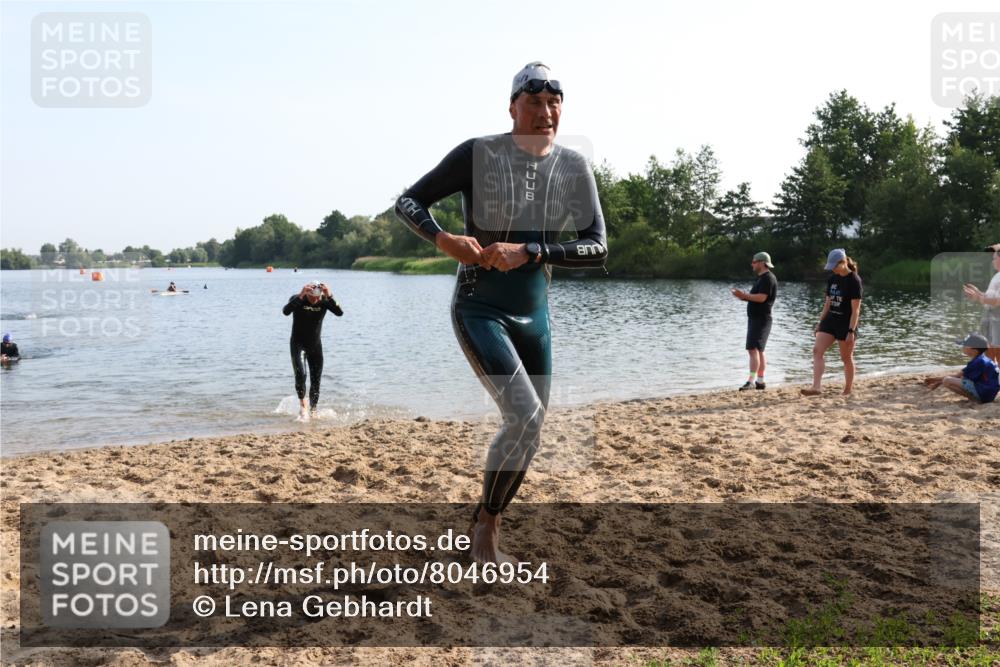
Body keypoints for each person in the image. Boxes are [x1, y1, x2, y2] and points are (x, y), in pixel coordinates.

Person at [395, 62, 607, 564]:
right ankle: (486, 533)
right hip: (480, 307)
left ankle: (486, 518)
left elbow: (596, 246)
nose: (545, 112)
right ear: (512, 107)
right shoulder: (478, 154)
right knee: (524, 414)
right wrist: (444, 239)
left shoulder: (573, 167)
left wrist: (531, 252)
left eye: (554, 103)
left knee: (531, 430)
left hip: (535, 312)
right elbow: (408, 201)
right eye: (534, 103)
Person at [801, 249, 863, 397]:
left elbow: (856, 311)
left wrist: (851, 331)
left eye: (834, 266)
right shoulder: (832, 279)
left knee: (846, 358)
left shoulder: (854, 280)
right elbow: (827, 303)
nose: (833, 269)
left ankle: (847, 390)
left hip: (846, 323)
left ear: (843, 262)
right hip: (830, 320)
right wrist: (820, 323)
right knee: (817, 350)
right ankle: (816, 387)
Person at [282, 281, 344, 420]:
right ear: (308, 293)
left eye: (318, 297)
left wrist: (330, 295)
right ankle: (303, 406)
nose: (315, 300)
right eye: (312, 297)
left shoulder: (324, 301)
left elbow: (339, 312)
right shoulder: (298, 299)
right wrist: (301, 294)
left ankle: (314, 409)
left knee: (316, 380)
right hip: (298, 344)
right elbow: (285, 311)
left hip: (315, 346)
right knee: (301, 374)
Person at [731, 252, 777, 390]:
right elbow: (755, 297)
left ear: (762, 263)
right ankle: (760, 381)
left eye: (754, 262)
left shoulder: (767, 278)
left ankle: (751, 381)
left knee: (753, 349)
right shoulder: (761, 278)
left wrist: (744, 295)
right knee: (759, 350)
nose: (752, 264)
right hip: (757, 319)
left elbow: (762, 298)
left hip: (761, 319)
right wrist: (742, 296)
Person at [923, 333, 999, 404]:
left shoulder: (978, 362)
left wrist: (938, 381)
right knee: (948, 379)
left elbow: (959, 377)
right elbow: (960, 374)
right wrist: (937, 380)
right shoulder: (981, 359)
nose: (962, 347)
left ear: (974, 350)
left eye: (964, 346)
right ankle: (977, 398)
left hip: (985, 394)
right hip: (989, 394)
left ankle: (975, 399)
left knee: (947, 381)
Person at [962, 243, 1000, 363]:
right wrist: (978, 294)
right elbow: (991, 299)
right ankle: (992, 377)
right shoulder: (997, 276)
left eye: (994, 258)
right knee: (988, 350)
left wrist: (979, 298)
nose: (992, 261)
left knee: (997, 352)